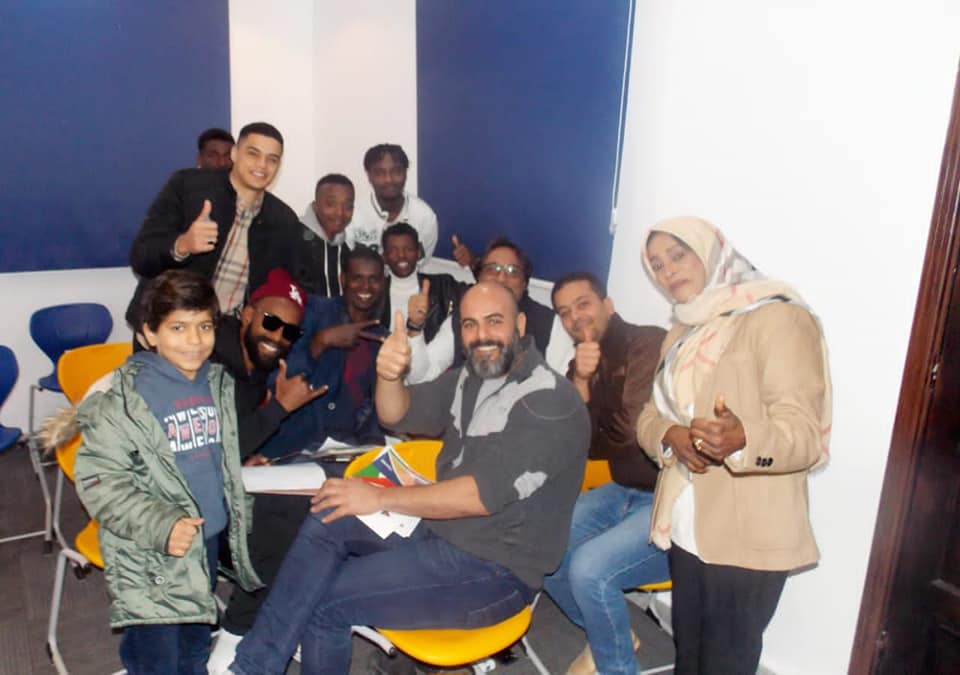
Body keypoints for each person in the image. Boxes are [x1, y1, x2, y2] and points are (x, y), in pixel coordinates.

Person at [227, 281, 590, 674]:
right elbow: (396, 414)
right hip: (442, 528)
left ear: (519, 325)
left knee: (325, 603)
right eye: (469, 324)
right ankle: (253, 667)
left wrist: (379, 498)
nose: (481, 335)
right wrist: (388, 374)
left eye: (494, 321)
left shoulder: (549, 402)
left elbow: (478, 496)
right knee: (331, 509)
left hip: (494, 569)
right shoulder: (472, 376)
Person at [635, 216, 832, 675]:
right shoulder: (682, 330)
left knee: (726, 663)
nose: (668, 271)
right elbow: (648, 416)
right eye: (657, 265)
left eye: (678, 255)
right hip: (687, 522)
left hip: (749, 530)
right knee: (689, 656)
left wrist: (744, 439)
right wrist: (672, 436)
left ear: (711, 252)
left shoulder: (779, 318)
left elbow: (804, 433)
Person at [71, 270, 261, 673]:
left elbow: (209, 451)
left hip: (203, 540)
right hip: (150, 551)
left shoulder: (216, 383)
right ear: (148, 333)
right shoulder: (123, 400)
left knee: (194, 645)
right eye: (178, 327)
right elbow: (99, 481)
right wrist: (162, 525)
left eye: (204, 326)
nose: (195, 340)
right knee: (156, 658)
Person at [542, 272, 668, 675]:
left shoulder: (647, 342)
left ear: (607, 305)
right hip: (623, 488)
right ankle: (610, 637)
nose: (575, 317)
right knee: (542, 547)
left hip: (669, 498)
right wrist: (580, 380)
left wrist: (590, 409)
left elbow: (632, 433)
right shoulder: (581, 363)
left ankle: (614, 662)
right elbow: (577, 441)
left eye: (583, 304)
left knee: (589, 570)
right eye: (565, 312)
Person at [206, 268, 328, 670]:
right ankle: (237, 632)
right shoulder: (210, 364)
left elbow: (226, 441)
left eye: (289, 332)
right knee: (281, 525)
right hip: (186, 507)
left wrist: (241, 460)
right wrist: (280, 408)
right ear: (247, 315)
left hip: (219, 483)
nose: (277, 337)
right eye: (271, 322)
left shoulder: (252, 368)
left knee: (311, 506)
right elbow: (202, 451)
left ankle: (277, 614)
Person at [128, 121, 303, 335]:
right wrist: (182, 245)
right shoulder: (187, 186)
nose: (262, 165)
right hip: (167, 329)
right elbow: (141, 257)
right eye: (253, 154)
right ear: (235, 153)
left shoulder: (283, 220)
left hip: (228, 334)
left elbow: (285, 288)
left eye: (272, 159)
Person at [253, 246, 389, 460]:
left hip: (348, 450)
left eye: (374, 279)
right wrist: (320, 342)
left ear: (383, 283)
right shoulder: (313, 311)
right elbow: (275, 377)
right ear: (343, 279)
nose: (366, 287)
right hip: (292, 448)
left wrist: (372, 449)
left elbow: (374, 406)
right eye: (357, 278)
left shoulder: (381, 338)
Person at [407, 237, 573, 382]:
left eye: (512, 271)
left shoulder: (549, 324)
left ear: (524, 283)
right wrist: (415, 327)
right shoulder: (462, 317)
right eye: (492, 269)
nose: (501, 278)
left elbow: (562, 391)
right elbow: (421, 376)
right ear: (479, 278)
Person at [345, 143, 438, 263]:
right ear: (369, 176)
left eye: (396, 171)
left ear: (405, 173)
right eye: (379, 173)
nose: (388, 179)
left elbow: (418, 265)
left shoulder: (425, 217)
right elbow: (349, 264)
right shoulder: (353, 214)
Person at [378, 222, 464, 342]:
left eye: (408, 249)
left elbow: (482, 292)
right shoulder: (374, 292)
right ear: (384, 257)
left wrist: (474, 264)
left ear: (419, 253)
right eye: (393, 250)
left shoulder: (443, 285)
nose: (401, 255)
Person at [295, 173, 353, 297]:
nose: (340, 213)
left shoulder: (345, 249)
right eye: (331, 204)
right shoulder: (293, 240)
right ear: (315, 206)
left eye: (348, 206)